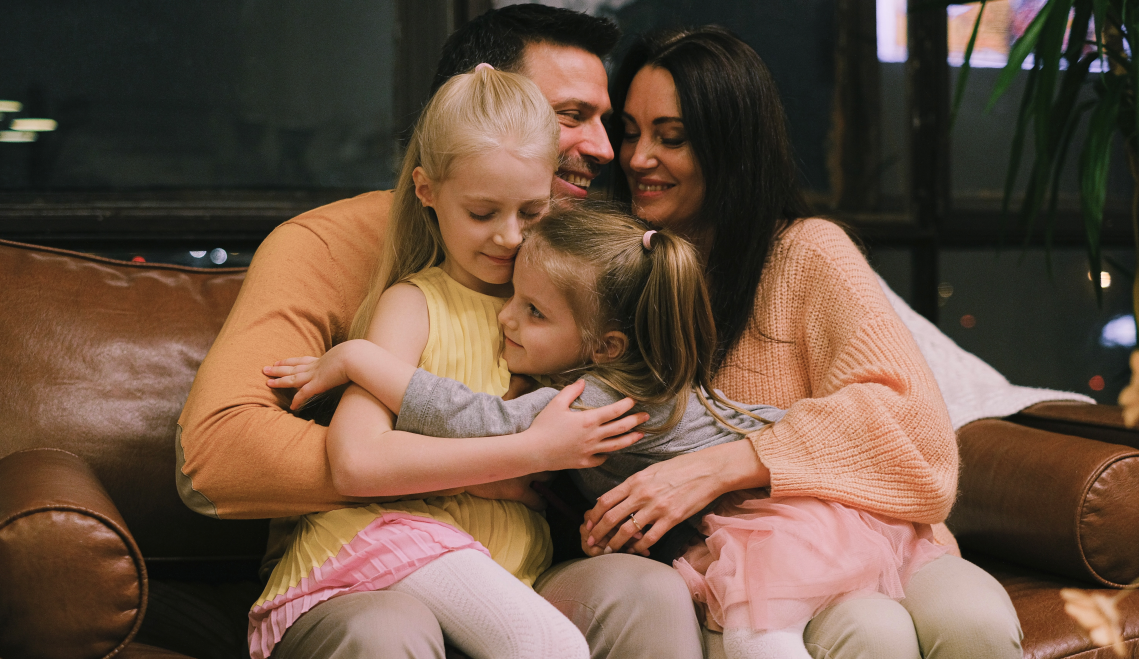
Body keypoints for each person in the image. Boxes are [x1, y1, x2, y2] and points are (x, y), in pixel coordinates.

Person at [178, 5, 706, 658]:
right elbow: (218, 456)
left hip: (518, 564)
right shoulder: (352, 259)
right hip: (382, 565)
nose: (603, 148)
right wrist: (498, 464)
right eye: (570, 116)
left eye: (605, 121)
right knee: (391, 630)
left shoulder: (572, 270)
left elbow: (648, 406)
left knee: (648, 591)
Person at [266, 205, 954, 659]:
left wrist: (359, 360)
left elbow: (471, 418)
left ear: (605, 345)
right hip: (796, 521)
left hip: (777, 528)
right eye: (513, 299)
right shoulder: (651, 381)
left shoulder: (590, 398)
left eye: (533, 311)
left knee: (758, 640)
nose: (506, 318)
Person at [569, 26, 1020, 658]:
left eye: (671, 137)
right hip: (738, 565)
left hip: (881, 537)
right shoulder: (608, 272)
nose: (639, 158)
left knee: (977, 622)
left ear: (732, 146)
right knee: (873, 632)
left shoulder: (806, 252)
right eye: (631, 132)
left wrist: (724, 465)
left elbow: (916, 431)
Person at [246, 64, 647, 659]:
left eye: (531, 212)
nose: (509, 237)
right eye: (482, 213)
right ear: (427, 191)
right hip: (386, 548)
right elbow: (355, 462)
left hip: (508, 569)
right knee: (544, 643)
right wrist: (532, 454)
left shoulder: (570, 309)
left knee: (645, 592)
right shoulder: (414, 304)